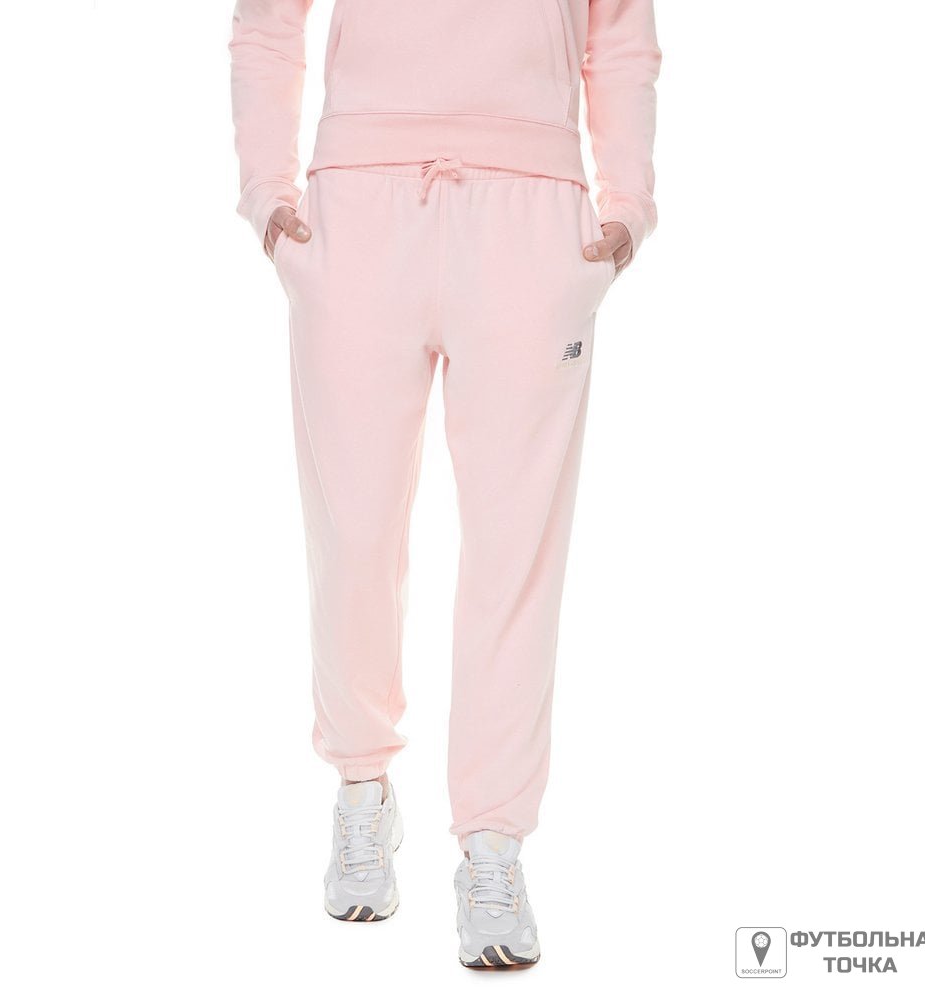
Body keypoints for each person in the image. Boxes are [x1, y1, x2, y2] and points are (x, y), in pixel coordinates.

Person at [230, 0, 660, 969]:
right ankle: (361, 785)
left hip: (532, 214)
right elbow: (267, 20)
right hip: (358, 208)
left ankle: (493, 843)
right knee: (351, 533)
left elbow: (620, 30)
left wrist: (626, 203)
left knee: (517, 550)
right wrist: (267, 193)